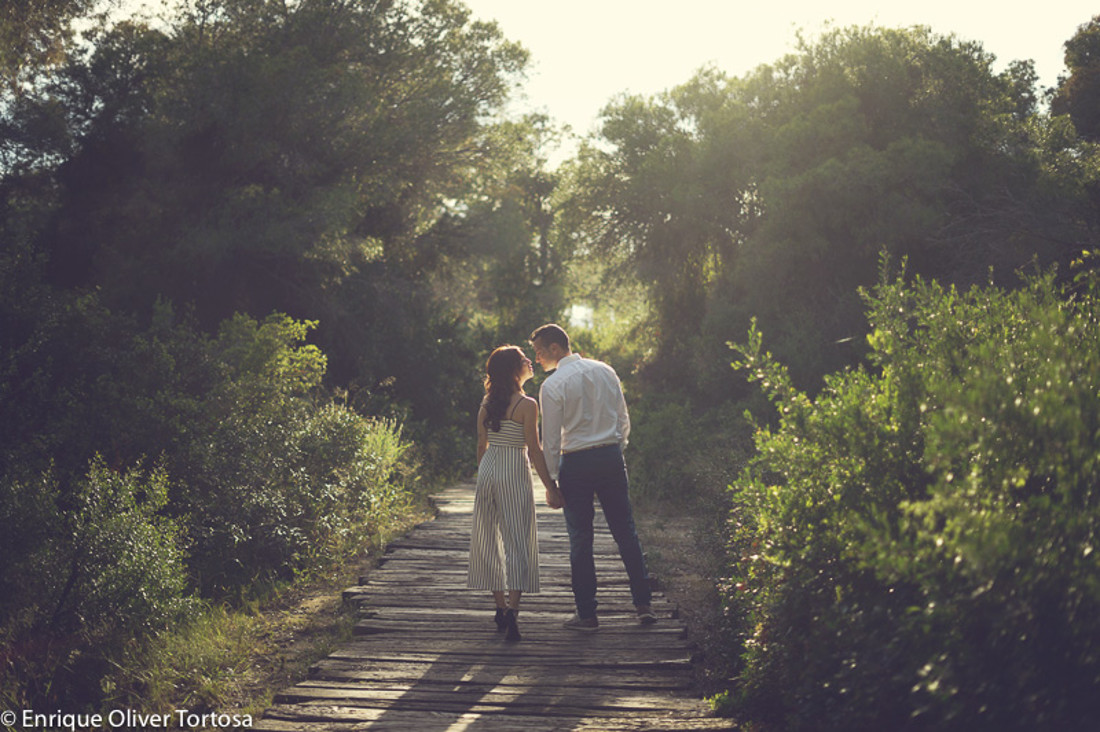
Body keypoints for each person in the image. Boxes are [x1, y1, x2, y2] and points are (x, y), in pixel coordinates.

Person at [529, 323, 656, 631]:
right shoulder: (606, 370)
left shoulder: (553, 384)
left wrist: (552, 482)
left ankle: (587, 615)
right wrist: (615, 447)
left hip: (576, 463)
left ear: (556, 349)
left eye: (540, 352)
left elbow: (551, 439)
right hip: (610, 457)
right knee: (625, 531)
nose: (536, 359)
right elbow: (623, 419)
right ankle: (643, 605)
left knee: (581, 539)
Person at [467, 345, 557, 642]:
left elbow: (482, 446)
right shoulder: (527, 405)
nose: (530, 361)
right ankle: (513, 612)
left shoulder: (486, 404)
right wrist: (550, 486)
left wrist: (485, 474)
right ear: (514, 369)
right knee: (517, 540)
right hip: (513, 470)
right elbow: (534, 449)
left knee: (489, 538)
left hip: (489, 470)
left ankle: (500, 606)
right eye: (523, 360)